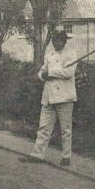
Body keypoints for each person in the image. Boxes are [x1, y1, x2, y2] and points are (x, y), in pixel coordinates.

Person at [22, 28, 77, 166]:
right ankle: (37, 154)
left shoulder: (71, 54)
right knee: (44, 127)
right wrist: (41, 75)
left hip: (65, 96)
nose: (55, 43)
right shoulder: (49, 53)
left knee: (66, 129)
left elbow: (68, 73)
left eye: (58, 40)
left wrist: (50, 73)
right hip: (48, 96)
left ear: (64, 41)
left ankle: (66, 156)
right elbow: (42, 70)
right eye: (53, 40)